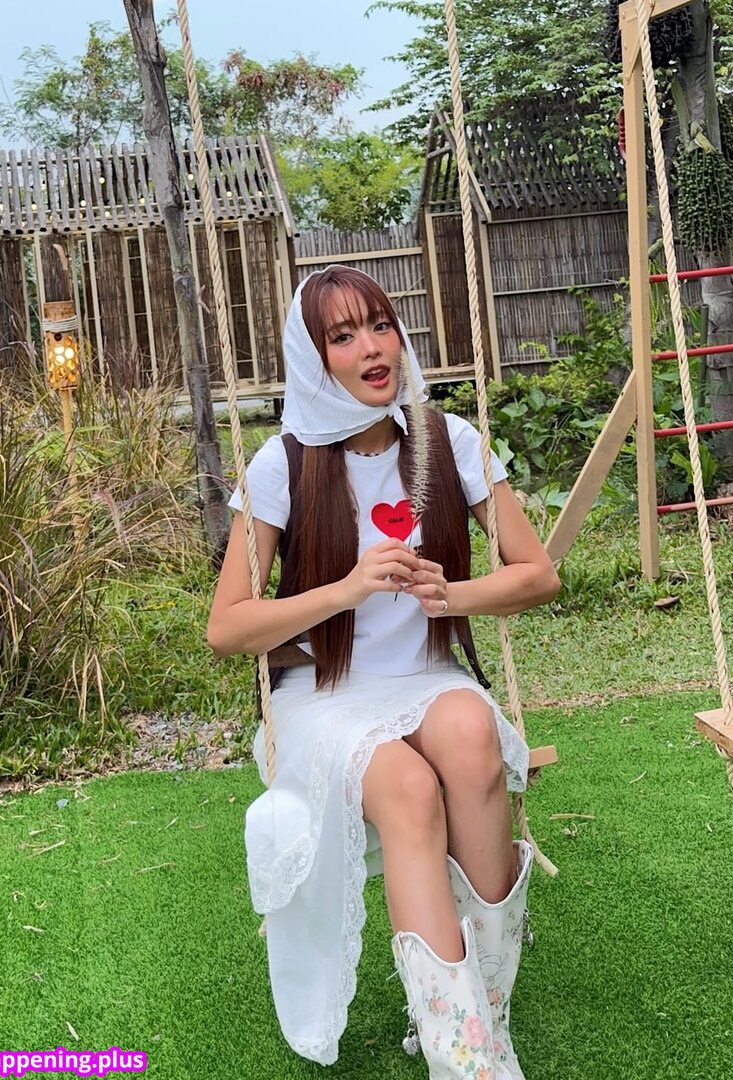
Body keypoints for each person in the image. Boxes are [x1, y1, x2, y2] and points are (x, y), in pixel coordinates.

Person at [206, 266, 560, 1079]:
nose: (371, 348)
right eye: (343, 336)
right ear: (314, 358)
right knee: (407, 789)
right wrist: (345, 588)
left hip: (424, 678)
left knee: (471, 739)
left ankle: (478, 1028)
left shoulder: (447, 441)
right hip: (322, 696)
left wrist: (450, 593)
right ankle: (467, 1065)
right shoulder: (283, 464)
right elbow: (226, 627)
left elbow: (536, 575)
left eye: (379, 325)